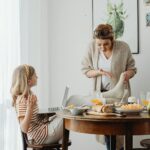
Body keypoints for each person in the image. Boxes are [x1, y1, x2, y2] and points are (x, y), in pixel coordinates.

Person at [81, 24, 137, 150]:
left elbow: (132, 69)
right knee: (106, 129)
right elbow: (85, 70)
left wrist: (127, 74)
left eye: (105, 44)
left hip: (119, 96)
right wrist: (98, 72)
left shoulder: (123, 47)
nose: (102, 47)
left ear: (113, 39)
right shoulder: (91, 47)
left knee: (119, 130)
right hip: (101, 97)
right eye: (99, 44)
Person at [10, 64, 63, 144]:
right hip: (40, 136)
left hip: (43, 130)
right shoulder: (22, 100)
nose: (37, 77)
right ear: (29, 81)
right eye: (35, 75)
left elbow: (34, 119)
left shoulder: (29, 96)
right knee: (67, 117)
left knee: (62, 113)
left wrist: (47, 115)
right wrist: (29, 108)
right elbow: (24, 128)